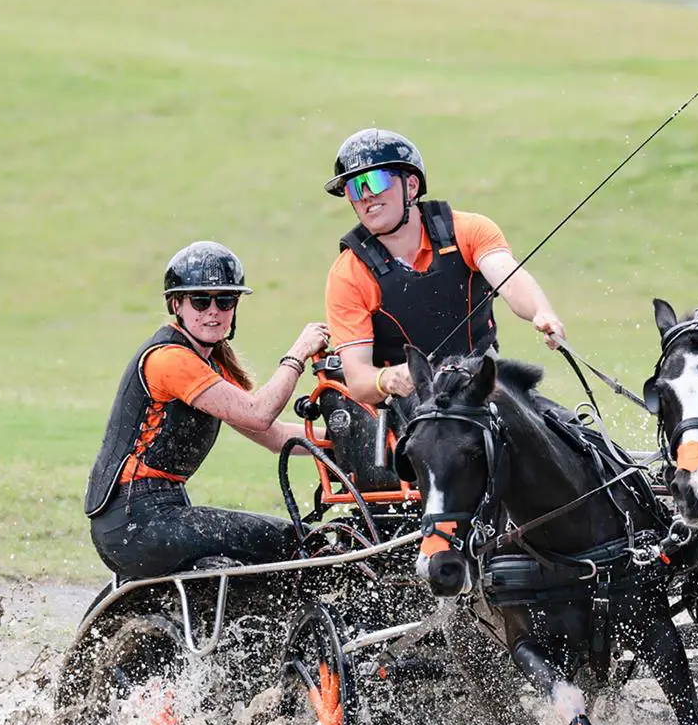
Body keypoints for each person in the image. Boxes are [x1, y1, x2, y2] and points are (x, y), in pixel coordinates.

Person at [84, 241, 329, 579]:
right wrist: (298, 353)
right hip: (136, 522)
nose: (213, 310)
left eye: (225, 301)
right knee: (294, 541)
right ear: (177, 305)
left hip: (157, 515)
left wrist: (341, 442)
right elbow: (259, 414)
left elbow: (273, 436)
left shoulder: (210, 364)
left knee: (287, 546)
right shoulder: (171, 359)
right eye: (201, 300)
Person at [322, 128, 567, 408]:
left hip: (482, 385)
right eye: (354, 188)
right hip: (407, 405)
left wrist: (541, 311)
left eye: (375, 181)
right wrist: (387, 379)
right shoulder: (348, 273)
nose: (366, 195)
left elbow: (509, 279)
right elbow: (358, 381)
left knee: (565, 428)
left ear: (411, 186)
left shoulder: (470, 230)